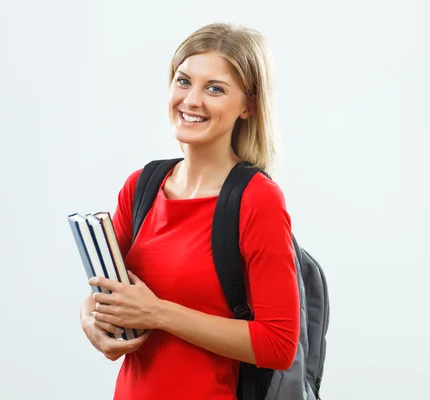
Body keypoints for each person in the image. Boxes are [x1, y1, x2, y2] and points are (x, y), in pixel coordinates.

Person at [79, 22, 300, 400]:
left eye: (215, 89)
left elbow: (278, 345)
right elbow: (107, 291)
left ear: (247, 104)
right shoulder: (141, 186)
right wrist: (89, 319)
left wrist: (157, 314)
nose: (192, 100)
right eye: (183, 81)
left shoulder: (257, 199)